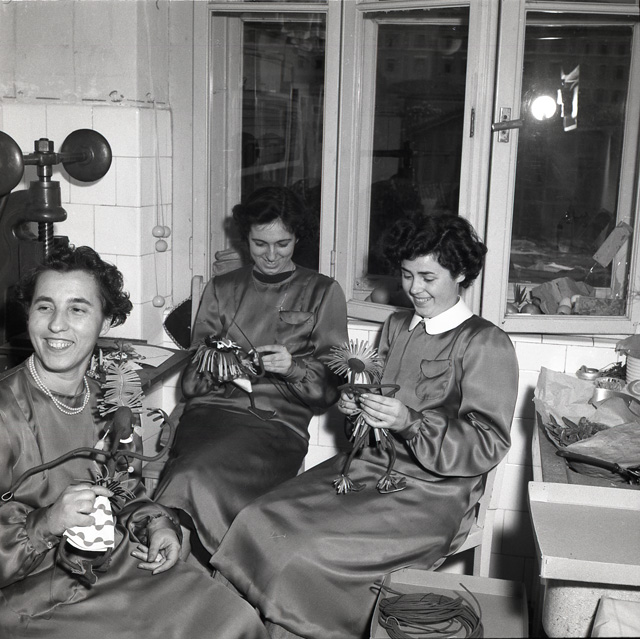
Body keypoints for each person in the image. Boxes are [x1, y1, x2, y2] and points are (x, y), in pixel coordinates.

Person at [211, 212, 519, 639]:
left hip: (434, 491)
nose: (415, 288)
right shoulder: (396, 325)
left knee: (306, 552)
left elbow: (487, 443)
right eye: (407, 275)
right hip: (365, 468)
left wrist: (410, 422)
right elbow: (371, 405)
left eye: (428, 277)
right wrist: (356, 406)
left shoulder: (485, 341)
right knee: (255, 518)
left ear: (461, 274)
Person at [0, 245, 268, 639]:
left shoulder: (113, 399)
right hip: (35, 591)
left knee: (235, 619)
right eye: (44, 307)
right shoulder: (5, 411)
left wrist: (157, 525)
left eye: (77, 309)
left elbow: (126, 493)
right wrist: (49, 522)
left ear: (106, 321)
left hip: (114, 562)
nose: (57, 324)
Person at [154, 186, 349, 561]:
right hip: (210, 413)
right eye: (260, 244)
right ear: (245, 239)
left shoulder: (323, 292)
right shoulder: (222, 288)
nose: (271, 255)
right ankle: (189, 551)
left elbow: (329, 391)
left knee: (197, 472)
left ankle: (192, 552)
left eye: (282, 244)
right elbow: (191, 385)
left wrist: (292, 368)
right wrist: (223, 365)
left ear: (297, 238)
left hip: (278, 424)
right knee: (194, 469)